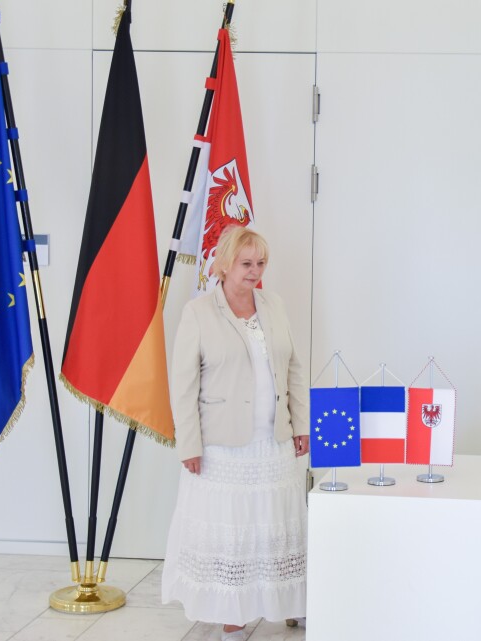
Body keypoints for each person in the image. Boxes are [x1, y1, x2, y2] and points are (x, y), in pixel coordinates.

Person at [162, 227, 309, 639]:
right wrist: (188, 444)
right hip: (222, 447)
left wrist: (302, 424)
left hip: (274, 439)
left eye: (261, 263)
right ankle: (232, 606)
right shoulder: (198, 312)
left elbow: (294, 367)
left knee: (271, 523)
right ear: (225, 264)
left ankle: (282, 600)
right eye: (247, 264)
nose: (255, 271)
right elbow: (183, 386)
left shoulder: (274, 305)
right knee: (233, 525)